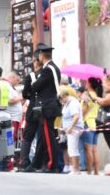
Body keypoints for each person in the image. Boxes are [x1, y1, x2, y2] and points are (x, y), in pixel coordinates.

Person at [20, 44, 61, 173]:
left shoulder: (47, 69)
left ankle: (52, 165)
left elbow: (35, 87)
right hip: (49, 106)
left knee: (49, 138)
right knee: (43, 138)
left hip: (47, 107)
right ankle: (36, 164)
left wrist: (33, 84)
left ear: (41, 56)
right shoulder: (52, 67)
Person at [59, 85, 83, 174]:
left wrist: (70, 127)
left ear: (64, 96)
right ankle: (76, 169)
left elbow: (76, 116)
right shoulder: (68, 103)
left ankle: (75, 169)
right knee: (73, 149)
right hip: (71, 128)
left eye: (61, 98)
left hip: (74, 128)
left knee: (72, 149)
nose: (60, 101)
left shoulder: (72, 103)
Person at [80, 78, 102, 175]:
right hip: (94, 123)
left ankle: (89, 171)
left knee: (88, 150)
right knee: (94, 150)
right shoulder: (96, 95)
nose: (85, 83)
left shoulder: (87, 95)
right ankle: (96, 171)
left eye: (86, 82)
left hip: (87, 123)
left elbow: (84, 110)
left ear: (89, 84)